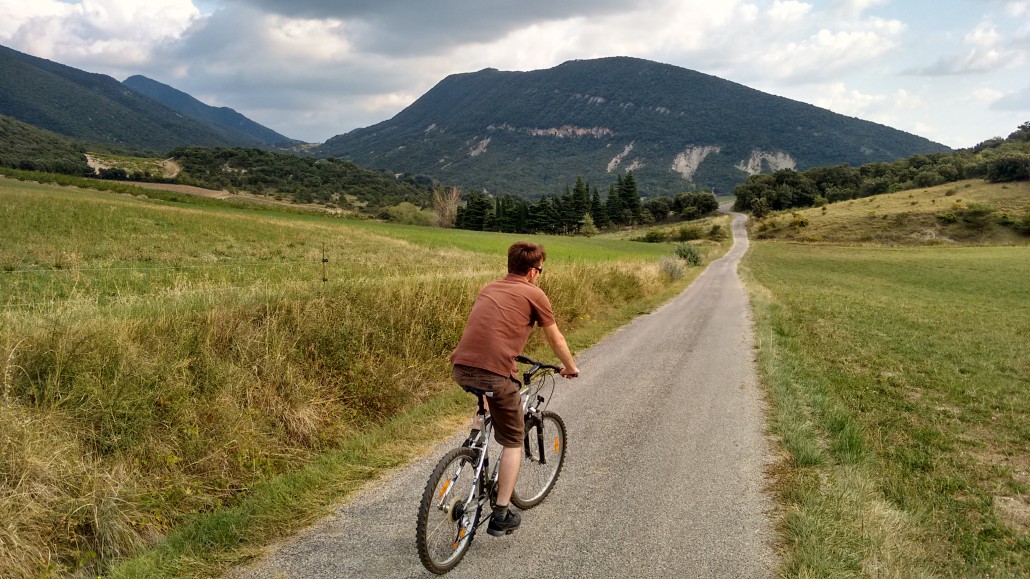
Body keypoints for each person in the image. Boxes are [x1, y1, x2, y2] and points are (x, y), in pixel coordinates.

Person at [450, 241, 579, 537]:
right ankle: (501, 513)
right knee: (512, 441)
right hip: (495, 374)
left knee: (486, 394)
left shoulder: (490, 287)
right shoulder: (535, 293)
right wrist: (570, 367)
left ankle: (475, 440)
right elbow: (556, 339)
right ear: (534, 271)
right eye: (541, 270)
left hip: (461, 368)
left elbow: (491, 329)